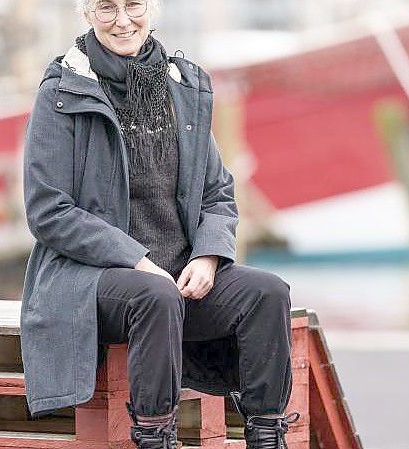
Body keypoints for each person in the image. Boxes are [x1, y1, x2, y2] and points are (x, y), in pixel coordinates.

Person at [20, 1, 299, 447]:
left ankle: (267, 434)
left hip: (182, 274)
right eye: (106, 7)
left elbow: (217, 192)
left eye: (134, 4)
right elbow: (48, 210)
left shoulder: (183, 87)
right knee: (156, 294)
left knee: (268, 293)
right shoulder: (62, 91)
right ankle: (155, 437)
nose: (123, 19)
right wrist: (136, 260)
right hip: (92, 279)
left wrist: (208, 256)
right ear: (86, 13)